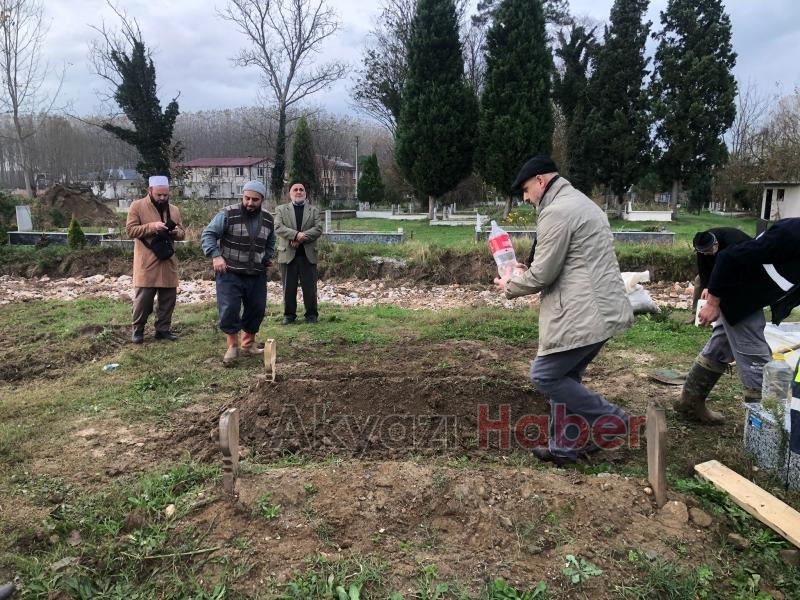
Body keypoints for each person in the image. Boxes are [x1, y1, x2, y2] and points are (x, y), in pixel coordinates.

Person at [495, 155, 634, 465]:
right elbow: (562, 259)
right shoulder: (578, 202)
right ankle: (563, 449)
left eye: (527, 189)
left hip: (584, 313)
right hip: (602, 309)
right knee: (566, 377)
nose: (525, 197)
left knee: (544, 376)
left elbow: (543, 275)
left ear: (541, 181)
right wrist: (525, 268)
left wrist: (510, 283)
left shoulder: (557, 212)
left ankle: (612, 420)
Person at [679, 217, 800, 424]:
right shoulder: (791, 234)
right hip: (739, 295)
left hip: (752, 297)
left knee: (720, 346)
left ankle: (690, 402)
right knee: (758, 362)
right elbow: (729, 257)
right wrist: (713, 301)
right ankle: (764, 431)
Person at [201, 181, 276, 366]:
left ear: (262, 200)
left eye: (255, 200)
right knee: (230, 309)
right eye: (247, 198)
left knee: (256, 309)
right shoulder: (227, 213)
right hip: (230, 272)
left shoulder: (268, 218)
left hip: (256, 273)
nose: (250, 203)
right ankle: (232, 347)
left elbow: (271, 241)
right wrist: (216, 256)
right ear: (242, 197)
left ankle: (248, 345)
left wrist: (266, 258)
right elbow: (208, 234)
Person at [126, 175, 185, 343]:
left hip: (168, 260)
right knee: (143, 301)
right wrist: (153, 227)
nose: (162, 198)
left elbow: (182, 232)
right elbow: (130, 231)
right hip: (147, 262)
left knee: (168, 299)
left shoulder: (174, 210)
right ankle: (138, 330)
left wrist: (176, 233)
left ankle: (163, 330)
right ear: (150, 191)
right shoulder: (136, 206)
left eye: (165, 195)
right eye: (159, 195)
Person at [274, 181, 322, 324]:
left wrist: (300, 238)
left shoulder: (313, 210)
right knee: (288, 288)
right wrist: (295, 235)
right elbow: (278, 227)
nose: (299, 192)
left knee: (310, 288)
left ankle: (311, 315)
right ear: (290, 193)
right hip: (288, 255)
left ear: (305, 193)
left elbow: (318, 229)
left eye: (301, 189)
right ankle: (289, 315)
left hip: (308, 256)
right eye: (295, 189)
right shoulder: (281, 209)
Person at [690, 227, 751, 312]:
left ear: (716, 244)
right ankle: (697, 313)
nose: (705, 255)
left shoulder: (734, 241)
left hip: (744, 264)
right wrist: (707, 287)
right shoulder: (702, 242)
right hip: (719, 264)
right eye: (703, 252)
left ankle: (730, 312)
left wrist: (714, 288)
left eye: (708, 251)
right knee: (699, 280)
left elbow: (737, 266)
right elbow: (702, 267)